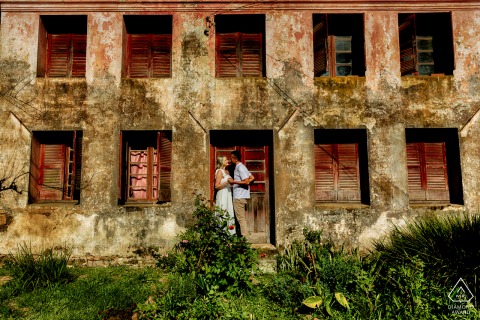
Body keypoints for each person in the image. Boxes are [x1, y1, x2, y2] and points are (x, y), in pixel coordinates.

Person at [230, 150, 254, 237]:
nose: (230, 160)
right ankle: (244, 238)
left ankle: (245, 240)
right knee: (241, 219)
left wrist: (234, 182)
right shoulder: (241, 167)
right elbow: (252, 177)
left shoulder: (240, 167)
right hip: (241, 196)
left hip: (239, 197)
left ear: (235, 158)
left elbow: (247, 182)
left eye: (231, 158)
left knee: (241, 219)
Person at [214, 156, 236, 235]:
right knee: (223, 210)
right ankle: (221, 234)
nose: (228, 160)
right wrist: (226, 182)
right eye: (226, 160)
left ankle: (230, 234)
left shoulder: (227, 171)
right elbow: (216, 186)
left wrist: (231, 183)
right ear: (222, 162)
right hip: (222, 194)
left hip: (228, 193)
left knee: (228, 211)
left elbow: (230, 184)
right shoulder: (219, 171)